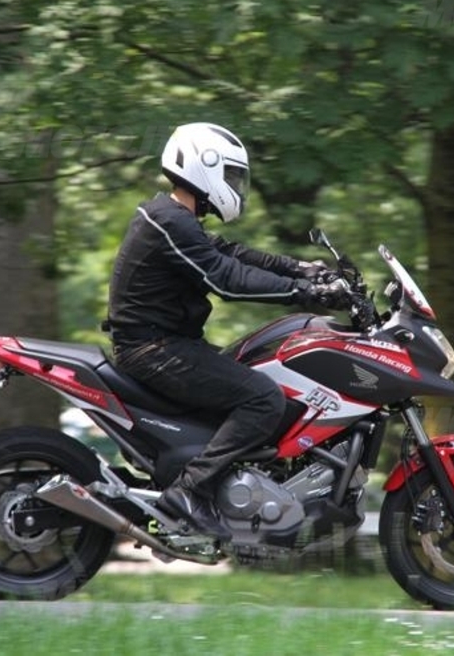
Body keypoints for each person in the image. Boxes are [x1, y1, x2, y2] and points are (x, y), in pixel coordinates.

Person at [106, 122, 352, 540]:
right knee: (264, 398)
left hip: (166, 343)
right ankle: (188, 491)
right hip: (154, 348)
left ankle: (226, 485)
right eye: (231, 175)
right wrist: (306, 292)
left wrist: (302, 269)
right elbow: (226, 277)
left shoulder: (175, 219)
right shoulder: (168, 221)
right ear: (204, 166)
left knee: (255, 370)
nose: (236, 185)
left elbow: (231, 253)